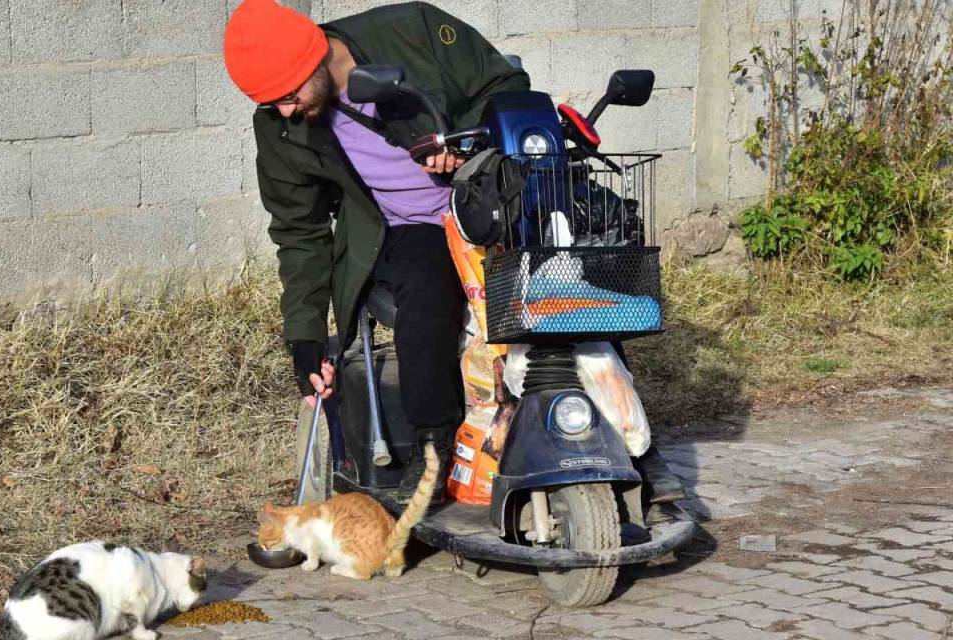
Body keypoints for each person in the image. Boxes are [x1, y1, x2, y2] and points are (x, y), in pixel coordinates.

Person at [223, 0, 686, 510]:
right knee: (425, 301)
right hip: (410, 225)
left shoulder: (412, 30)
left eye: (287, 96)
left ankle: (634, 443)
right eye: (271, 105)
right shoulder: (281, 127)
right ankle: (435, 448)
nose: (285, 111)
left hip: (495, 199)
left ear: (310, 59)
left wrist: (463, 143)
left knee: (572, 292)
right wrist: (305, 337)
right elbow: (299, 232)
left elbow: (505, 87)